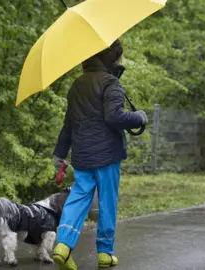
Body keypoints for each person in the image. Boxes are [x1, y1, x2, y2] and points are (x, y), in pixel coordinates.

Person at [51, 39, 147, 269]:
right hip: (107, 155)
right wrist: (139, 117)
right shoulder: (110, 83)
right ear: (109, 57)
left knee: (78, 197)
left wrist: (60, 153)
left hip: (82, 155)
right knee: (107, 201)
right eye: (117, 56)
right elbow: (114, 116)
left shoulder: (77, 85)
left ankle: (62, 246)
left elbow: (69, 125)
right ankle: (105, 253)